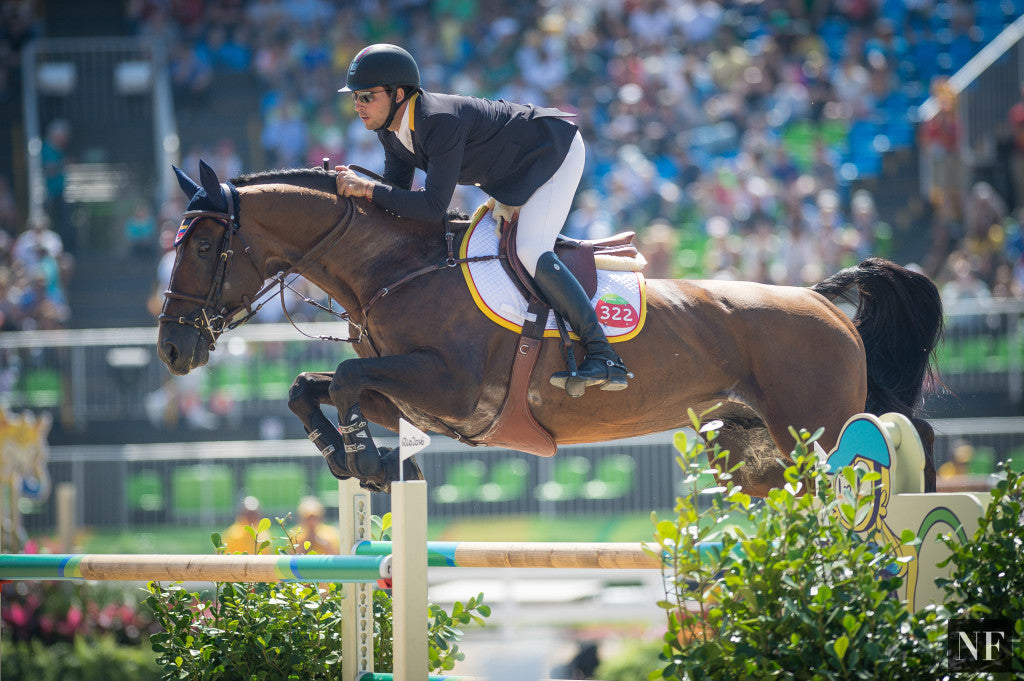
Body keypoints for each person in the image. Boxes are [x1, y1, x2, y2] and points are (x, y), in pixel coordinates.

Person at [333, 43, 629, 393]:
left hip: (553, 151)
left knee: (530, 250)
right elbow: (396, 195)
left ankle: (604, 354)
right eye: (355, 97)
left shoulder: (437, 121)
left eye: (367, 96)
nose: (358, 106)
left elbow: (431, 207)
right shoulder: (390, 130)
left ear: (398, 94)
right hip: (513, 170)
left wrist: (365, 190)